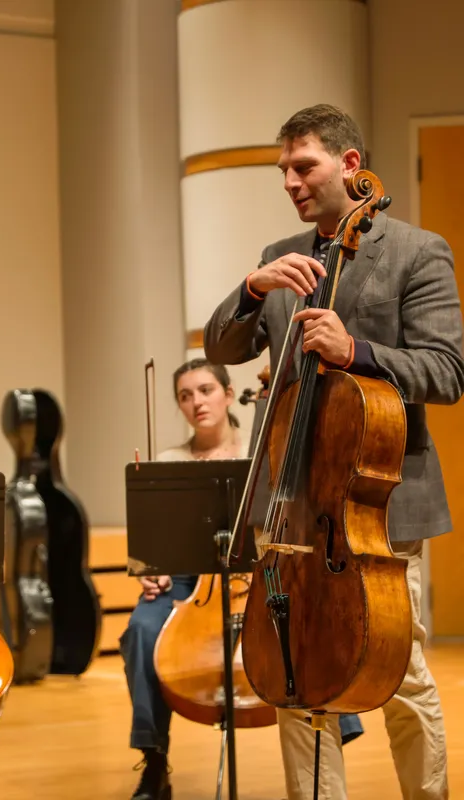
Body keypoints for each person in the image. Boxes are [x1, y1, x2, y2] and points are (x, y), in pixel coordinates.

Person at [204, 103, 464, 800]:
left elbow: (447, 372)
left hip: (376, 506)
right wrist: (253, 287)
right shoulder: (280, 256)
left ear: (350, 165)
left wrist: (358, 352)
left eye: (304, 166)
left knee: (400, 675)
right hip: (292, 506)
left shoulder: (417, 251)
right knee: (294, 673)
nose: (290, 181)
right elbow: (222, 347)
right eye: (283, 170)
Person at [120, 358, 362, 800]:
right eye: (185, 396)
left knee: (307, 627)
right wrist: (150, 571)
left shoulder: (262, 449)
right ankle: (153, 761)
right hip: (189, 580)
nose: (197, 402)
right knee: (141, 629)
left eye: (206, 390)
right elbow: (151, 544)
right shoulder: (169, 461)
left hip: (258, 573)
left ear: (229, 395)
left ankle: (326, 748)